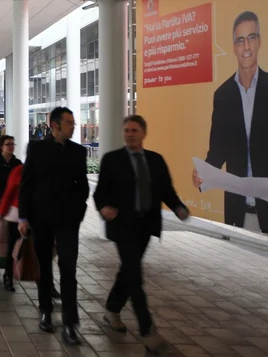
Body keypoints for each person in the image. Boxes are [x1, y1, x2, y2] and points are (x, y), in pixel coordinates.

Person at [94, 115, 189, 353]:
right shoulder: (112, 159)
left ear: (143, 133)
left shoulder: (155, 160)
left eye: (134, 130)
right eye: (126, 130)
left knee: (128, 270)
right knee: (135, 277)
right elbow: (100, 193)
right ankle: (148, 331)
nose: (129, 134)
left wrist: (178, 207)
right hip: (122, 225)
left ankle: (112, 309)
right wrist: (104, 207)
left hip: (146, 226)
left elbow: (166, 189)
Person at [18, 107, 89, 345]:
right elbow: (26, 185)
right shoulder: (37, 149)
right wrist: (23, 218)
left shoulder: (78, 152)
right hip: (42, 219)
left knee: (69, 269)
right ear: (55, 125)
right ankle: (46, 310)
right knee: (45, 267)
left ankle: (70, 323)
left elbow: (83, 186)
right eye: (69, 122)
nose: (73, 126)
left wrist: (80, 211)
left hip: (69, 221)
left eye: (73, 122)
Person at [192, 11, 267, 233]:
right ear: (234, 47)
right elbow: (217, 151)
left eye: (251, 38)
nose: (246, 47)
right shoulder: (222, 95)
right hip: (236, 211)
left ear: (259, 42)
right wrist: (202, 174)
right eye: (240, 40)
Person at [0, 163, 23, 292]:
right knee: (12, 248)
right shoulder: (19, 170)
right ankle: (9, 276)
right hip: (16, 215)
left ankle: (48, 285)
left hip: (38, 216)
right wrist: (1, 212)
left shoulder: (46, 170)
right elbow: (9, 192)